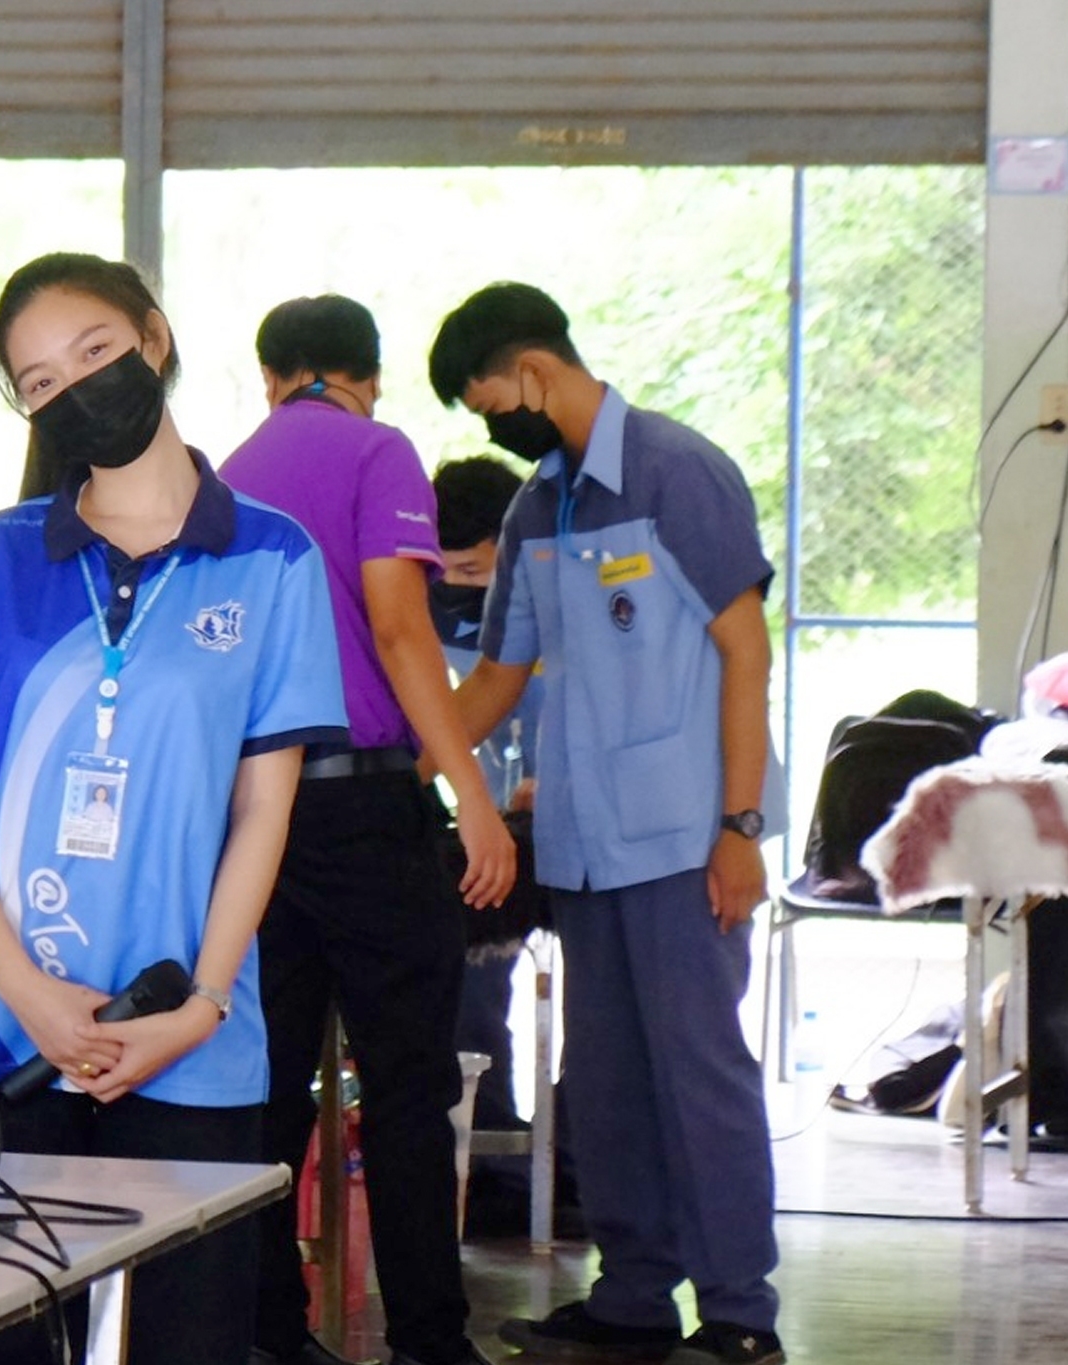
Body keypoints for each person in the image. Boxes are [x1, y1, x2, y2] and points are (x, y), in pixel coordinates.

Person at [0, 253, 347, 1365]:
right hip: (3, 1034)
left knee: (190, 1340)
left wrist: (203, 1002)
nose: (74, 386)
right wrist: (27, 991)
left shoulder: (273, 557)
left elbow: (261, 811)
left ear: (152, 338)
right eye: (39, 382)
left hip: (190, 1036)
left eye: (92, 352)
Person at [429, 282, 784, 1365]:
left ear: (530, 374)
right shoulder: (537, 507)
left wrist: (738, 825)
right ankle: (632, 1295)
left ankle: (736, 1310)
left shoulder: (676, 473)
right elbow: (497, 673)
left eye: (487, 401)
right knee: (607, 1082)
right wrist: (409, 753)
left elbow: (744, 652)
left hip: (684, 840)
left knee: (696, 1073)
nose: (492, 423)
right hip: (586, 847)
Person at [219, 294, 513, 1365]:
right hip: (364, 809)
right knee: (404, 1087)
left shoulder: (223, 473)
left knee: (265, 1088)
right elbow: (398, 625)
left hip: (254, 813)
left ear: (269, 375)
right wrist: (470, 796)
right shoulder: (377, 451)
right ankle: (428, 1343)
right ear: (368, 374)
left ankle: (265, 1333)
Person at [432, 454, 542, 1131]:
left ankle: (576, 1164)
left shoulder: (551, 613)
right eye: (440, 571)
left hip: (557, 829)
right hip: (474, 838)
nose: (453, 588)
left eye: (472, 573)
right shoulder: (416, 620)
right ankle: (491, 1140)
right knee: (468, 989)